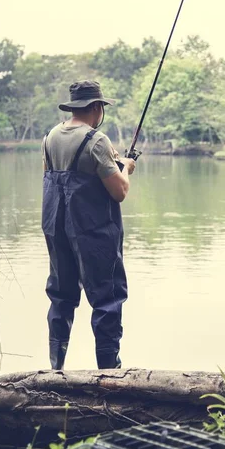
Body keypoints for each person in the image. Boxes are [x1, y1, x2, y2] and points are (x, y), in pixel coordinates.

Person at [41, 80, 135, 370]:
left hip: (56, 227)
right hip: (93, 232)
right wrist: (126, 168)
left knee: (61, 295)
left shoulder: (50, 137)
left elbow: (52, 176)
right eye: (101, 108)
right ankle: (108, 375)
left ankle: (55, 371)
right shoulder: (97, 141)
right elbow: (119, 192)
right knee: (107, 298)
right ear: (96, 108)